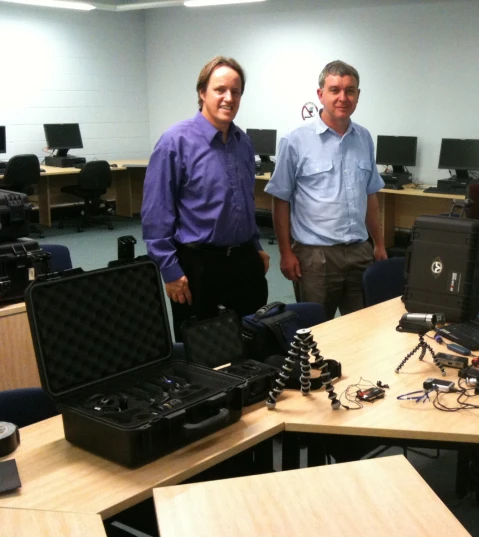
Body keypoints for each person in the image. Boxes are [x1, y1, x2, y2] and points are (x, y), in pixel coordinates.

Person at [141, 56, 269, 340]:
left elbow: (244, 202)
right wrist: (170, 270)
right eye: (220, 90)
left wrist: (256, 245)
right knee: (202, 351)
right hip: (198, 266)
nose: (228, 98)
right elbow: (156, 214)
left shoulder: (243, 142)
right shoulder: (175, 142)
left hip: (244, 261)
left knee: (252, 342)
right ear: (202, 93)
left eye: (235, 92)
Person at [265, 60, 387, 319]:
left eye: (350, 90)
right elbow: (280, 199)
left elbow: (371, 195)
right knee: (315, 334)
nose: (343, 97)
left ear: (358, 95)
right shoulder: (295, 140)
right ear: (321, 94)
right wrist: (286, 253)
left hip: (359, 253)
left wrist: (379, 244)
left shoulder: (364, 138)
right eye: (335, 90)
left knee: (363, 329)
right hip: (314, 258)